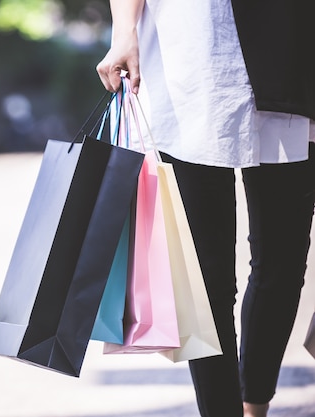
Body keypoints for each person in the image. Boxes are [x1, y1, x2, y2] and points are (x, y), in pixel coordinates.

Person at [95, 0, 315, 416]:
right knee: (205, 278)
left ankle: (255, 404)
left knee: (283, 264)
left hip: (290, 55)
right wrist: (123, 30)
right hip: (190, 60)